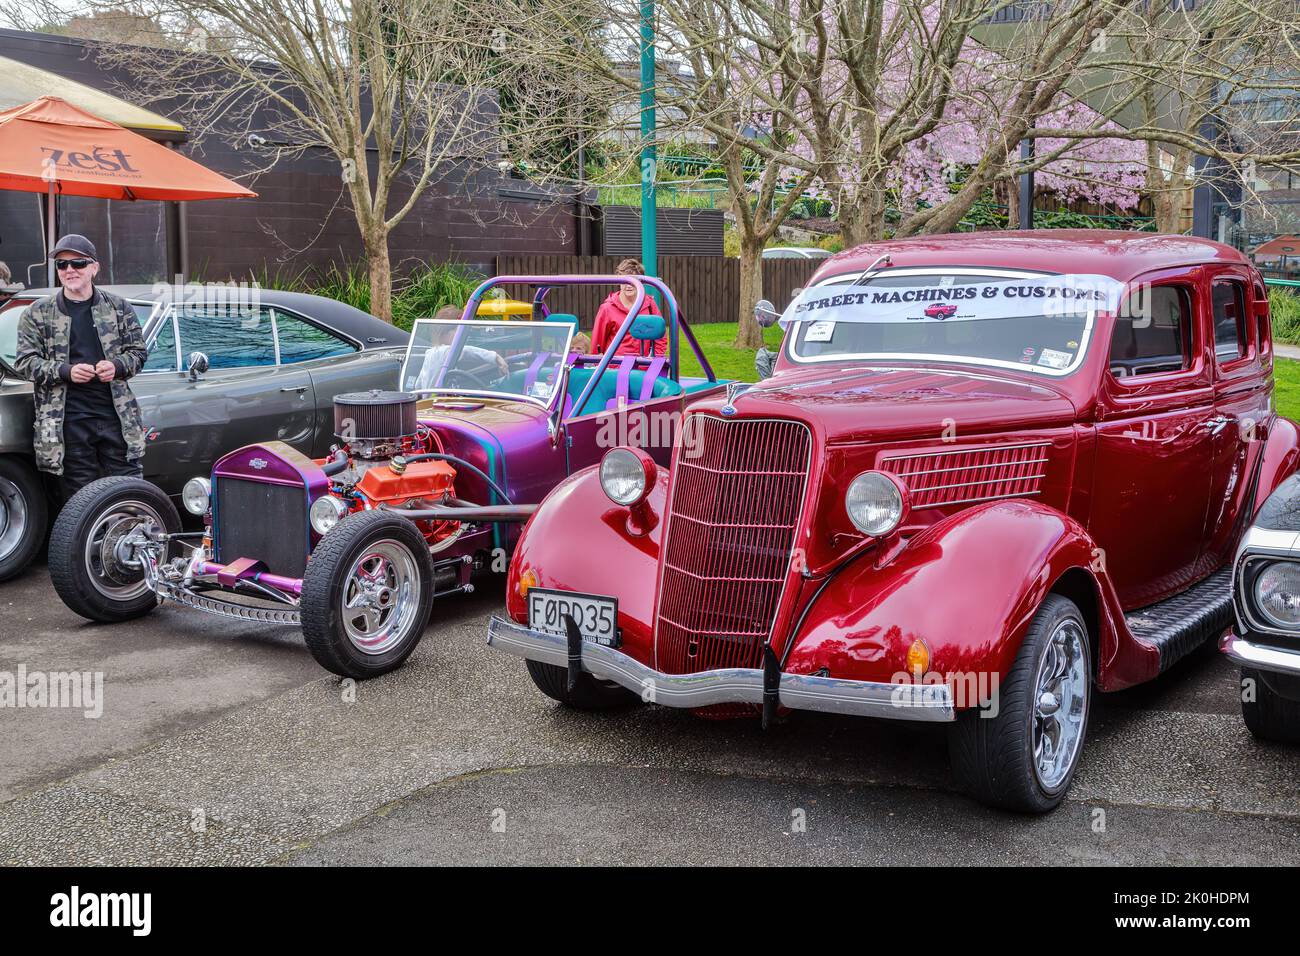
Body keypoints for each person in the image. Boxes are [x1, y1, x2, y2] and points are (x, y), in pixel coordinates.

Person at [15, 234, 148, 502]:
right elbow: (25, 363)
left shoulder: (118, 307)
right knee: (80, 501)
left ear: (94, 267)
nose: (69, 270)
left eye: (77, 263)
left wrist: (117, 366)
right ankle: (89, 545)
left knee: (128, 491)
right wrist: (66, 371)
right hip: (67, 423)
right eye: (62, 265)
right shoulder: (37, 313)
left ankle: (130, 539)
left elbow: (138, 353)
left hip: (116, 418)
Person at [591, 259, 667, 357]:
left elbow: (660, 336)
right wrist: (598, 365)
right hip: (616, 367)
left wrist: (655, 361)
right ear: (618, 281)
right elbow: (597, 343)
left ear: (641, 282)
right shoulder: (607, 308)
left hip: (643, 367)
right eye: (624, 281)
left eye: (633, 281)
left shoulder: (649, 304)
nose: (628, 285)